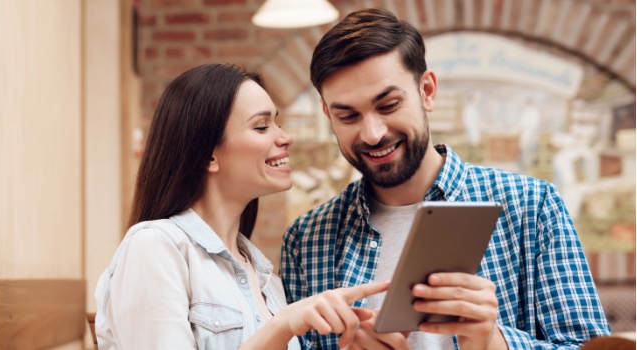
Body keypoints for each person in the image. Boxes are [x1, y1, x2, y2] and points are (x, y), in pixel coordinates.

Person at [281, 8, 611, 350]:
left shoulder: (531, 205)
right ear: (328, 115)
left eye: (389, 105)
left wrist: (493, 343)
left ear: (427, 91)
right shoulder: (306, 239)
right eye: (348, 116)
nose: (373, 133)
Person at [94, 63, 389, 350]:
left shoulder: (269, 283)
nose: (285, 137)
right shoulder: (154, 247)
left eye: (277, 123)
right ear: (208, 155)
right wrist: (281, 327)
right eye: (261, 127)